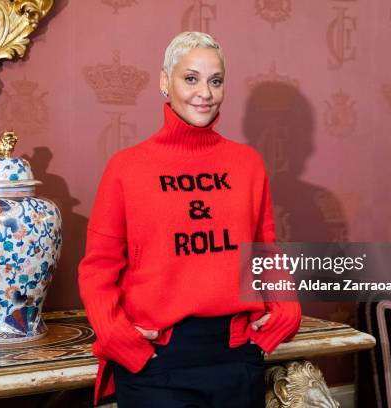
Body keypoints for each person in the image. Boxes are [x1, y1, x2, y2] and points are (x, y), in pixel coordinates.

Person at [78, 31, 302, 408]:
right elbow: (98, 267)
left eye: (216, 81)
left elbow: (265, 250)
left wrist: (287, 307)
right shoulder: (127, 168)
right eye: (191, 78)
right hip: (155, 362)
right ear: (165, 82)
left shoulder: (247, 164)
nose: (205, 92)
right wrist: (118, 337)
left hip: (235, 357)